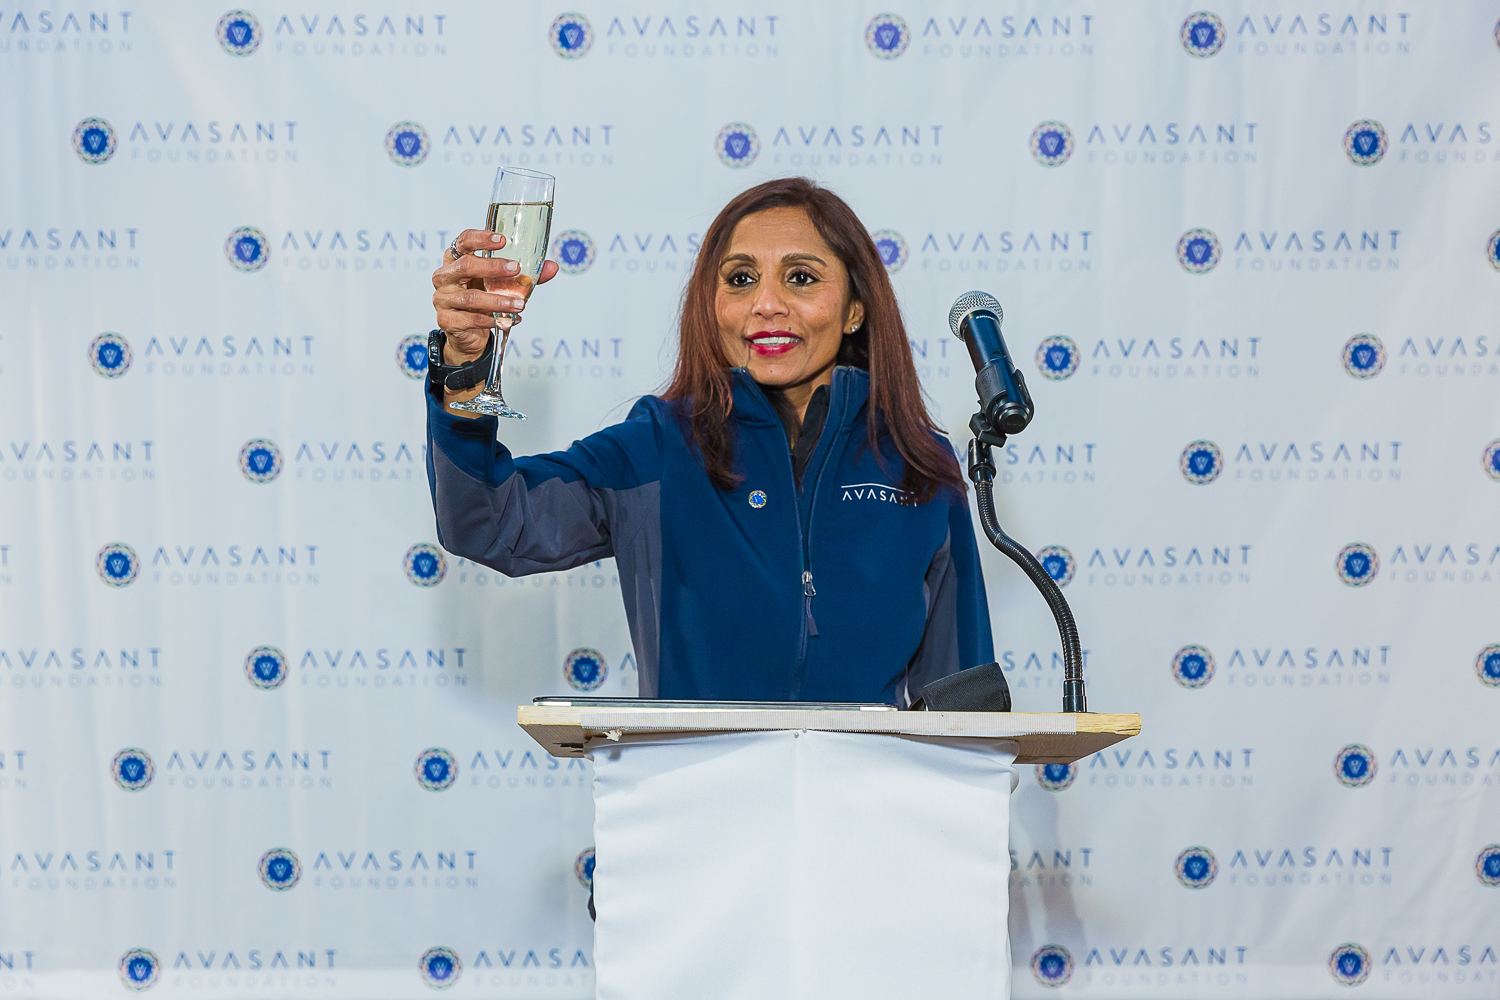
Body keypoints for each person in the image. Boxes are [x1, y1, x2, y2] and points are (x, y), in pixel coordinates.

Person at [424, 177, 994, 706]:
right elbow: (490, 524)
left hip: (867, 786)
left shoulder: (919, 463)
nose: (766, 304)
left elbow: (961, 702)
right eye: (740, 279)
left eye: (801, 277)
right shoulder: (660, 446)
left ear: (855, 309)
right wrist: (465, 368)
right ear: (710, 305)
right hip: (692, 784)